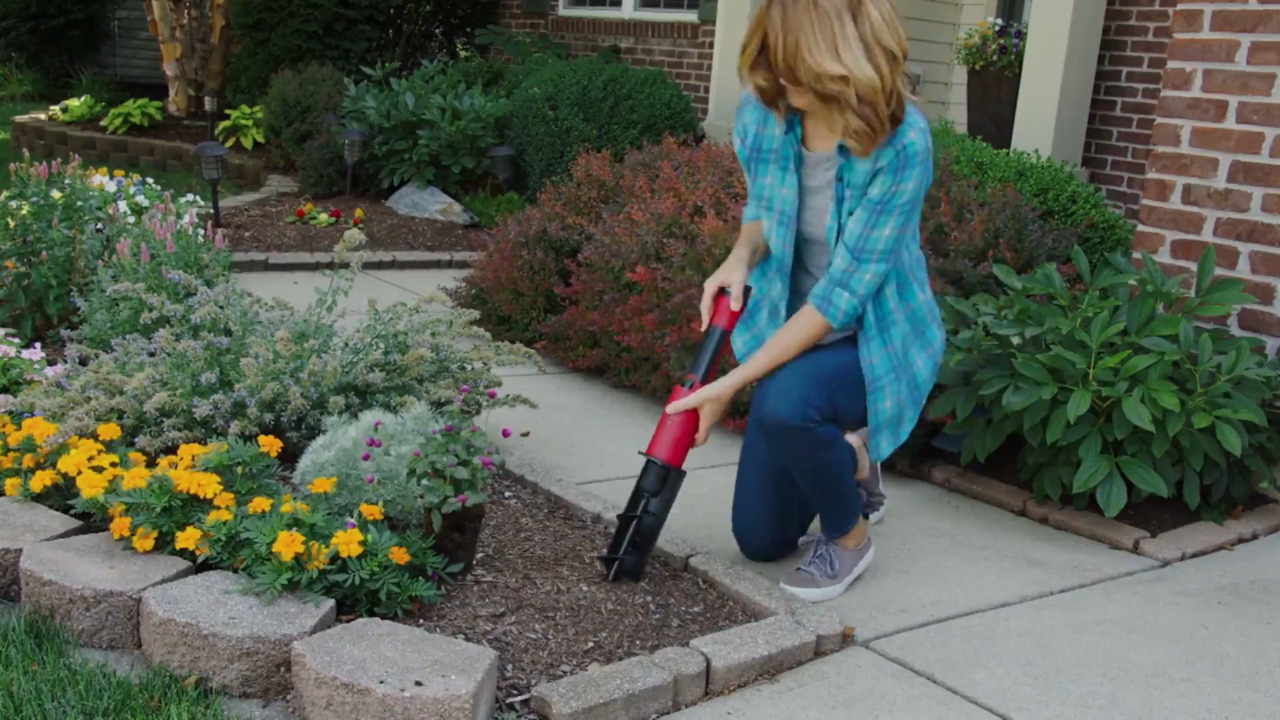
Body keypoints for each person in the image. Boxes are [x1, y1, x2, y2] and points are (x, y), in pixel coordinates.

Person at [663, 0, 944, 603]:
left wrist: (732, 382)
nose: (781, 80)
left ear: (847, 60)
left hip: (874, 342)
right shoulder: (768, 109)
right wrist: (739, 258)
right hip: (796, 333)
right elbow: (764, 210)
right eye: (773, 59)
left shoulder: (901, 145)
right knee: (761, 540)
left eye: (798, 67)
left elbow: (841, 298)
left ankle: (849, 538)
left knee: (787, 406)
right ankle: (854, 465)